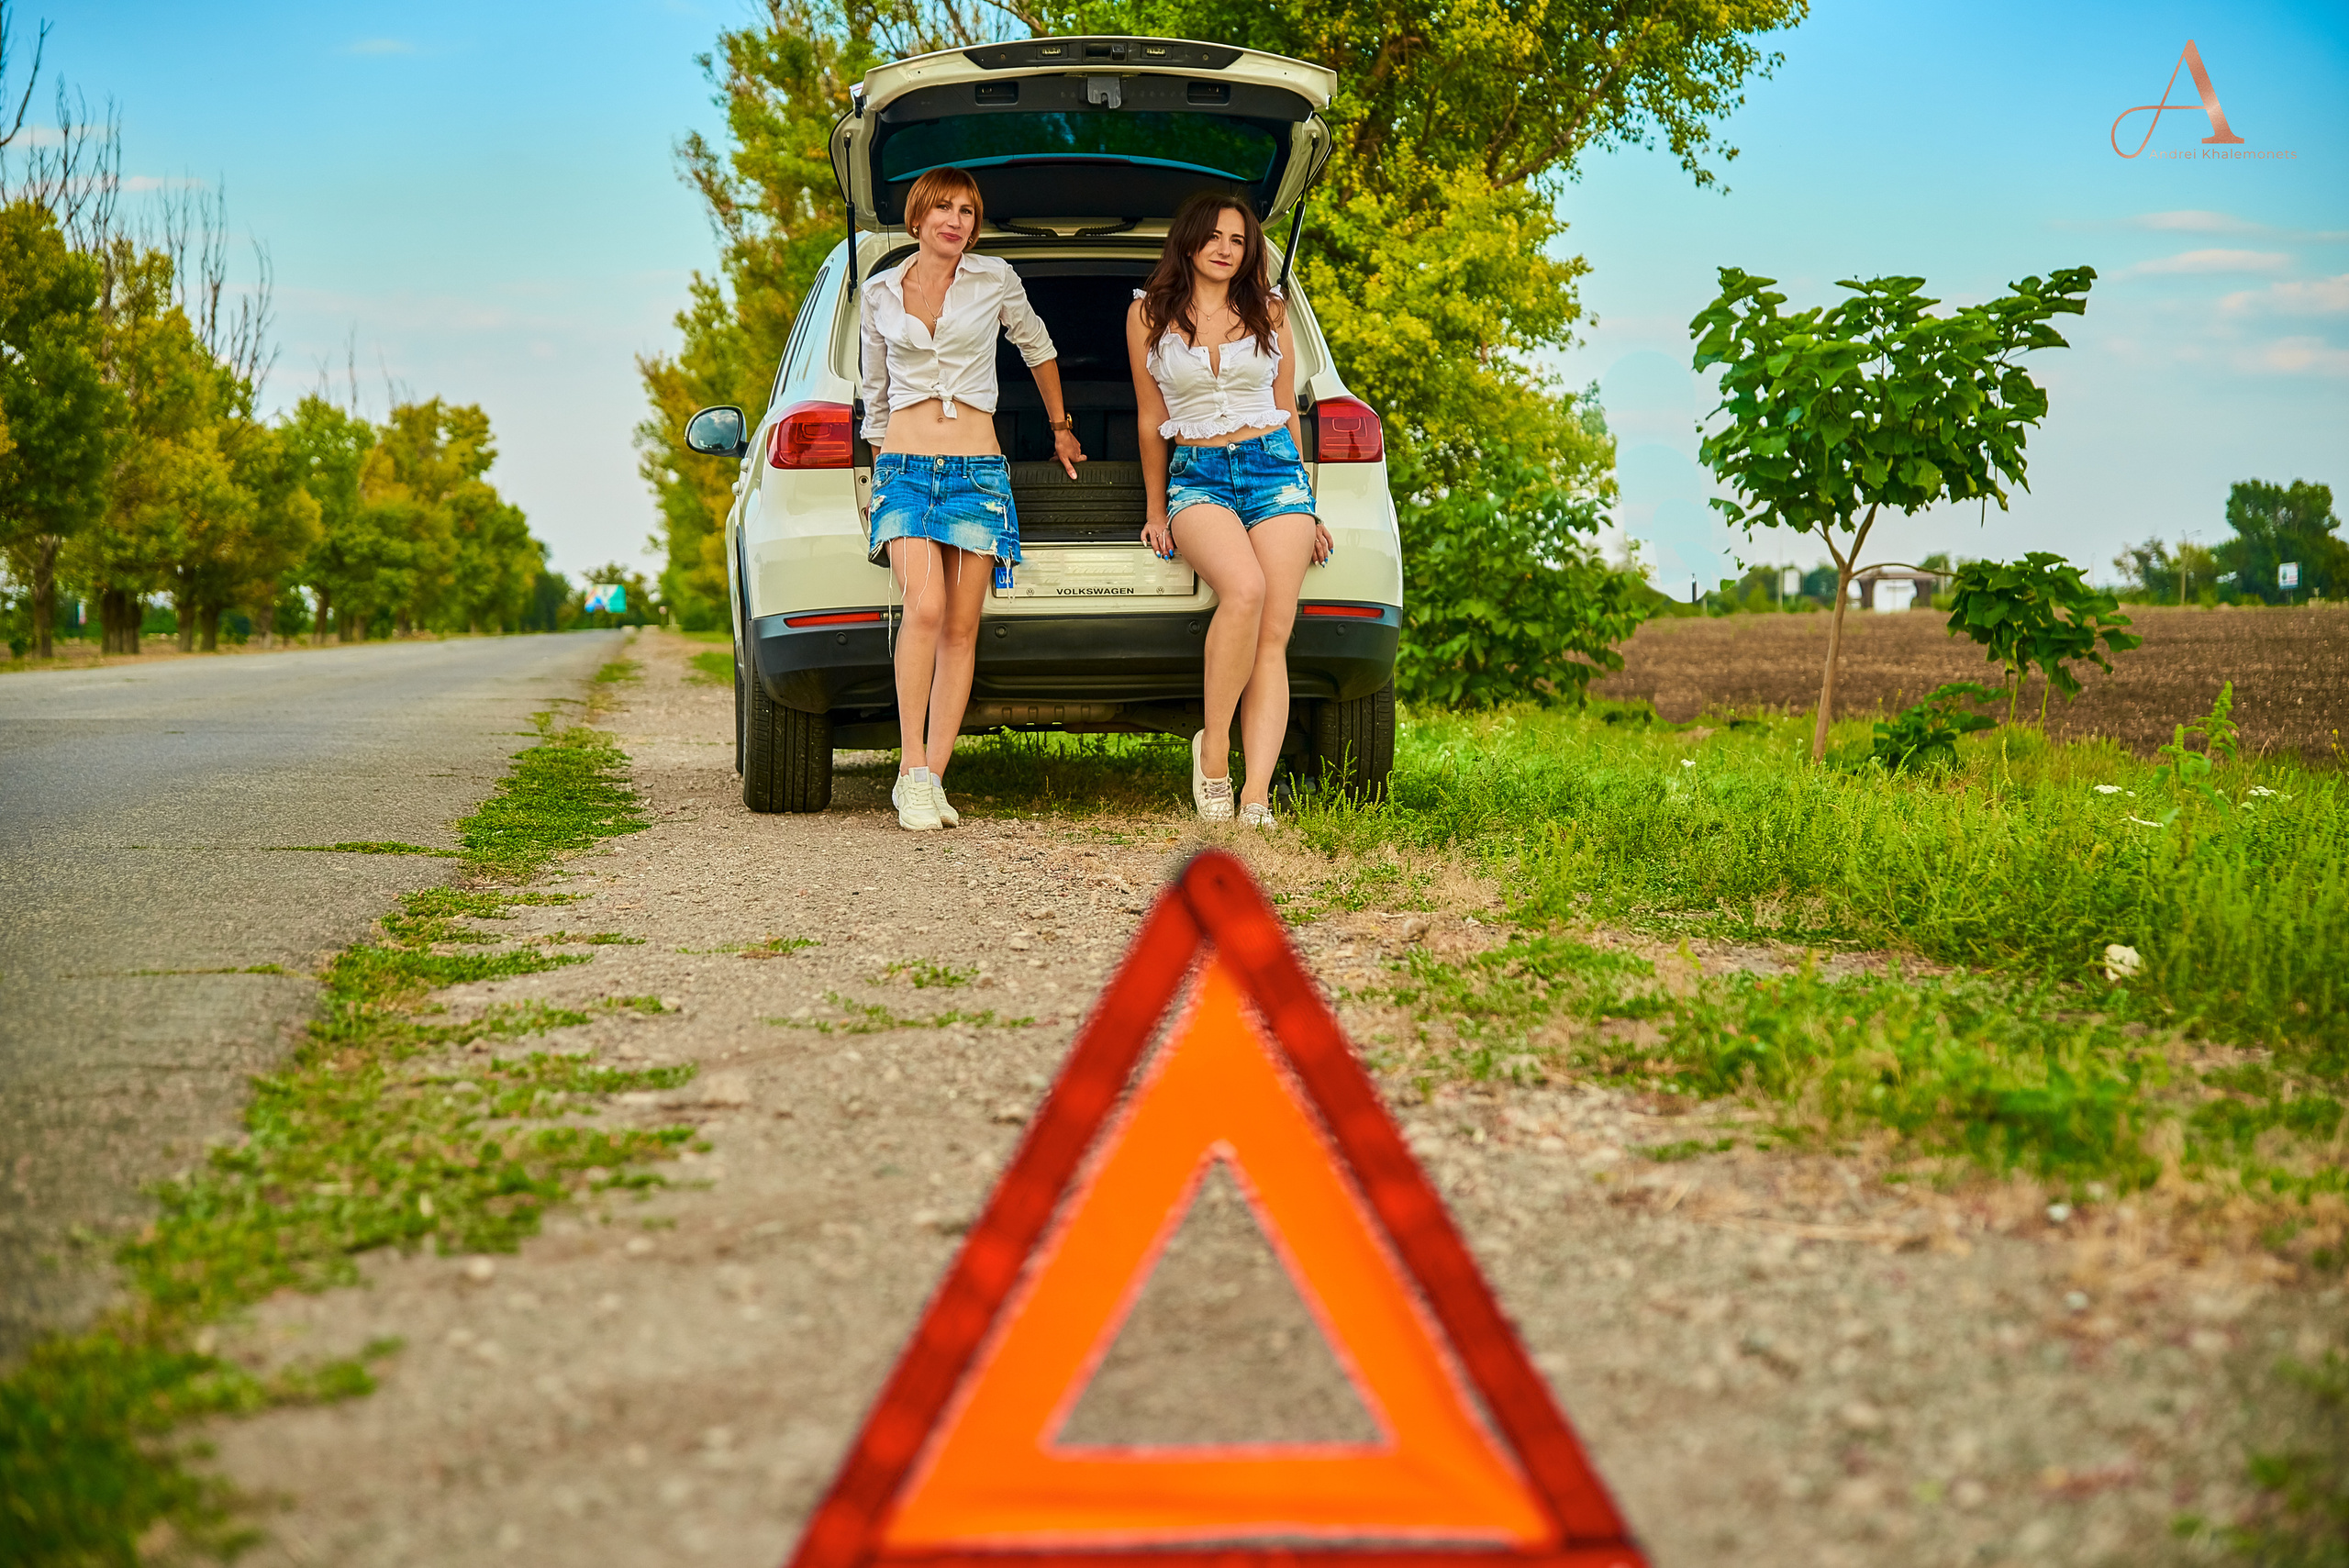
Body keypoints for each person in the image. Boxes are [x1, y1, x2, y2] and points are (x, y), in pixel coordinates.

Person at [861, 166, 1084, 830]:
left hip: (977, 471)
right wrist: (879, 470)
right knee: (923, 606)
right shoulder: (877, 293)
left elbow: (1036, 347)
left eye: (966, 210)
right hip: (903, 468)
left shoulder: (995, 279)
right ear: (918, 218)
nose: (956, 220)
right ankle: (908, 770)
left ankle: (934, 774)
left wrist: (1062, 427)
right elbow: (876, 394)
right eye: (943, 209)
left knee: (961, 625)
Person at [1127, 193, 1330, 827]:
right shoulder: (1146, 316)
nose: (1224, 247)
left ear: (1250, 251)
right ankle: (1214, 750)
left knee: (1274, 632)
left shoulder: (1270, 310)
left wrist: (1309, 503)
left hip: (1275, 471)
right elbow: (1151, 417)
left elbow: (1288, 407)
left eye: (1238, 239)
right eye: (1214, 235)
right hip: (1199, 476)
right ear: (1188, 240)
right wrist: (1156, 509)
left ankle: (1256, 797)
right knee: (1243, 591)